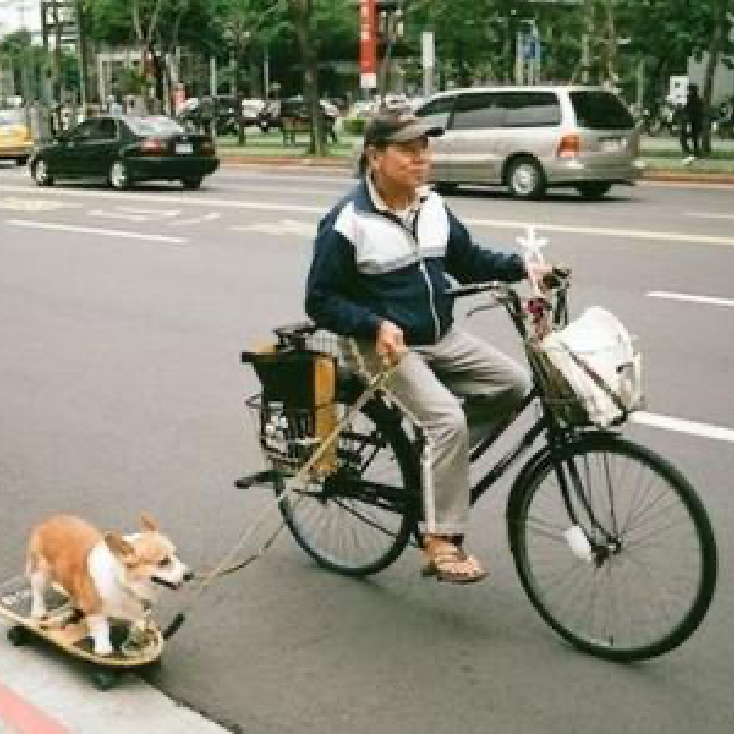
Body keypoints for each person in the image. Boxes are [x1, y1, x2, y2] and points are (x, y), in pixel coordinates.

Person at [305, 112, 552, 584]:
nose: (421, 159)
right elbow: (320, 300)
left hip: (440, 337)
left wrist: (525, 269)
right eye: (408, 149)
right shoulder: (347, 222)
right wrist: (373, 323)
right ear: (374, 157)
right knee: (446, 420)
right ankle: (440, 539)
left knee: (516, 385)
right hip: (380, 346)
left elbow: (469, 261)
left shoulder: (433, 206)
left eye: (425, 148)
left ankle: (438, 462)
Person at [681, 83, 703, 164]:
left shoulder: (688, 100)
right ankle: (695, 154)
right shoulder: (699, 100)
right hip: (695, 123)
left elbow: (687, 111)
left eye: (689, 90)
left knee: (684, 137)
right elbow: (700, 112)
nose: (688, 91)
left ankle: (688, 153)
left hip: (689, 122)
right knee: (694, 139)